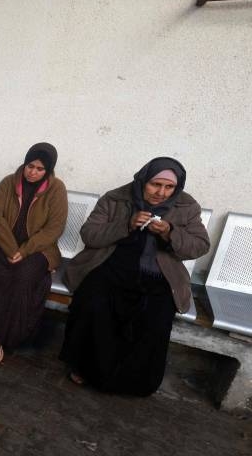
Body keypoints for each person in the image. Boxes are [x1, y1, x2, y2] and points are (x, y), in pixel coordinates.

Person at [60, 158, 209, 396]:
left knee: (155, 318)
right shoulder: (116, 198)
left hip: (160, 276)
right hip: (111, 265)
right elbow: (90, 235)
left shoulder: (187, 207)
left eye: (169, 187)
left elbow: (200, 245)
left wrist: (171, 233)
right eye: (155, 185)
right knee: (93, 303)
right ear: (143, 180)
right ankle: (85, 367)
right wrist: (126, 225)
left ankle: (133, 382)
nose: (161, 193)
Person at [0, 142, 68, 364]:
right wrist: (11, 248)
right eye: (30, 166)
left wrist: (24, 251)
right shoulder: (8, 182)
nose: (32, 172)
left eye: (39, 169)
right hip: (1, 243)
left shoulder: (56, 189)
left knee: (23, 276)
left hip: (38, 249)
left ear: (49, 170)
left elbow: (55, 227)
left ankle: (8, 336)